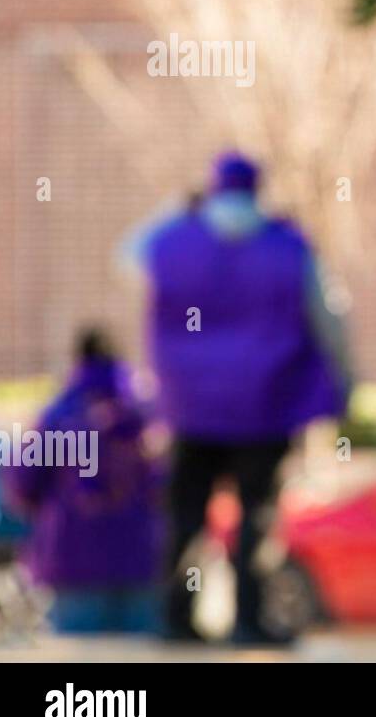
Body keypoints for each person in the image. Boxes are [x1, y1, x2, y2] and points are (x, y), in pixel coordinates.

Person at [133, 152, 350, 643]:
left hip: (189, 408)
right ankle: (249, 620)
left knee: (186, 514)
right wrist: (342, 384)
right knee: (257, 514)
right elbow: (328, 317)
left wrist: (177, 209)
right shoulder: (288, 246)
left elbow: (128, 256)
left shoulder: (173, 242)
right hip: (265, 404)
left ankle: (175, 619)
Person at [2, 328, 164, 634]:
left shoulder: (58, 414)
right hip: (142, 557)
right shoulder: (147, 414)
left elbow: (22, 484)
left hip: (72, 561)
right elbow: (170, 484)